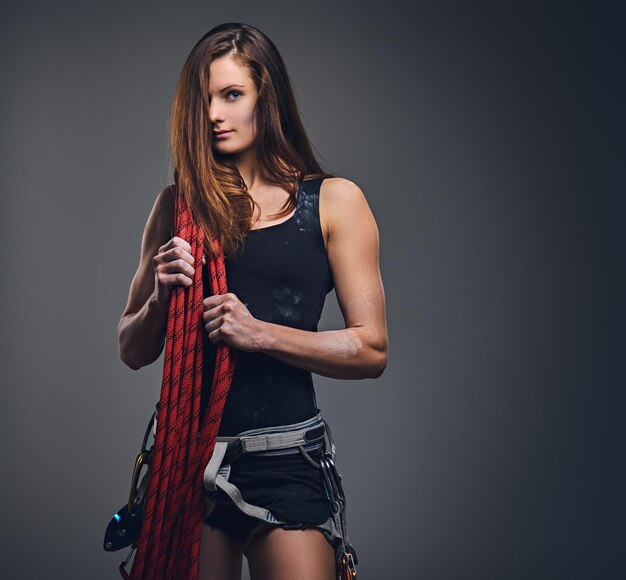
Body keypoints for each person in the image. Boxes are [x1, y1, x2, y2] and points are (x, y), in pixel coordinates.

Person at [118, 22, 388, 580]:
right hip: (188, 458)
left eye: (232, 95)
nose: (214, 114)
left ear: (269, 102)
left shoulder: (334, 202)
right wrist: (161, 301)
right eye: (204, 99)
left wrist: (260, 332)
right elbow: (131, 348)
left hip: (285, 458)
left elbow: (370, 349)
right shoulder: (176, 208)